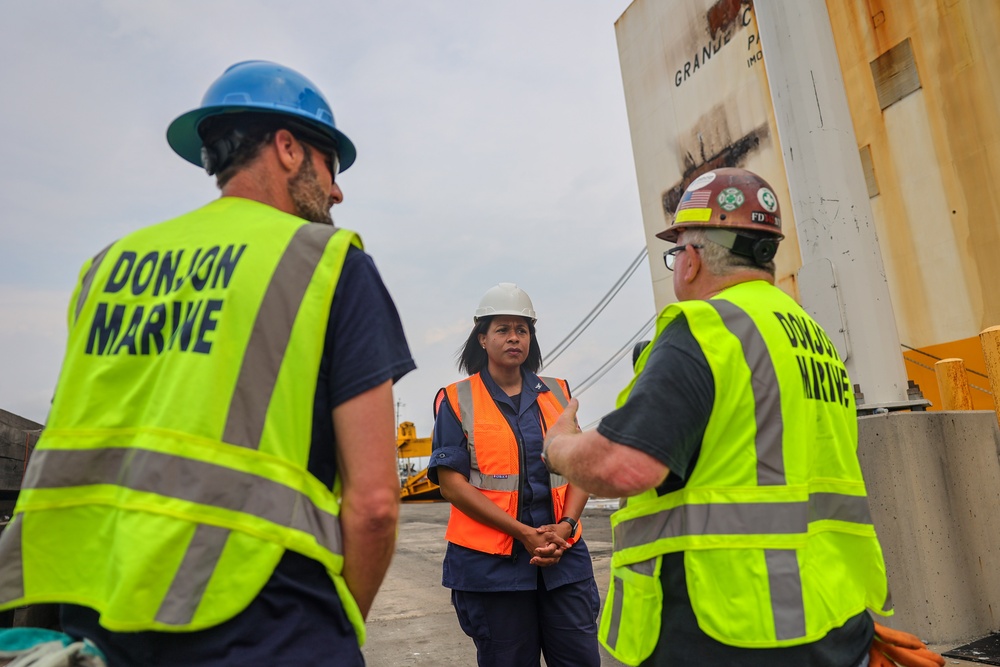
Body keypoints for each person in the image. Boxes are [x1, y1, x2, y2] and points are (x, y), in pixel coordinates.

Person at [0, 60, 414, 666]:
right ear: (289, 148)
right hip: (267, 625)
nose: (337, 190)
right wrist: (339, 629)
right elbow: (376, 504)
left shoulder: (107, 267)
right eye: (331, 164)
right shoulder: (324, 263)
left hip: (100, 619)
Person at [540, 167, 904, 666]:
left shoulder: (709, 327)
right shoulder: (810, 336)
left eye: (676, 253)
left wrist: (559, 444)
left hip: (727, 630)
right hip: (833, 625)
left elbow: (623, 467)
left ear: (690, 259)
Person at [428, 283, 601, 667]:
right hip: (492, 568)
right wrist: (522, 532)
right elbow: (452, 485)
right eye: (503, 329)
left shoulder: (558, 394)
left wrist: (567, 526)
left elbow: (581, 468)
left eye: (522, 330)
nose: (513, 338)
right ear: (483, 338)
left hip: (563, 559)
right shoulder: (458, 400)